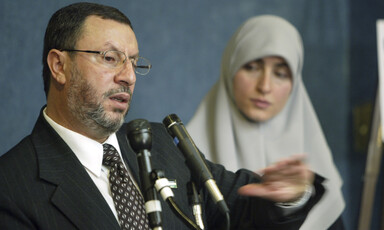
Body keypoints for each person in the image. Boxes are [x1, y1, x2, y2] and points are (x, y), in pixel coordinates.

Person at [0, 4, 324, 230]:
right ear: (59, 65)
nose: (128, 76)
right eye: (111, 58)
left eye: (134, 62)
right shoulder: (11, 186)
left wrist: (290, 196)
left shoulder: (159, 144)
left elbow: (236, 208)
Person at [186, 15, 345, 230]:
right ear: (230, 69)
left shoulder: (312, 176)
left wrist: (294, 200)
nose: (265, 86)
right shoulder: (183, 157)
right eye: (252, 67)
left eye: (280, 73)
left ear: (295, 85)